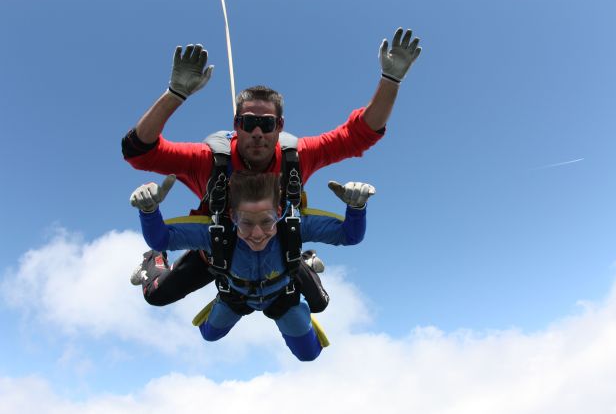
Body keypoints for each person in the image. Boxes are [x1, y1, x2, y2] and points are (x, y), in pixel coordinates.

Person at [122, 27, 421, 306]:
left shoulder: (297, 156)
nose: (257, 132)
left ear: (280, 126)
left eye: (266, 124)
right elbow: (138, 152)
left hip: (278, 245)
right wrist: (174, 94)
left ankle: (305, 256)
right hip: (218, 249)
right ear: (236, 125)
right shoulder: (208, 161)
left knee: (319, 304)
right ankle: (153, 259)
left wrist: (391, 81)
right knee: (157, 296)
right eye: (248, 123)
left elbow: (359, 135)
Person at [130, 171, 376, 361]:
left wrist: (356, 208)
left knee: (309, 351)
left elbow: (349, 236)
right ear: (232, 216)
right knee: (209, 335)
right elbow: (160, 240)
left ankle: (304, 260)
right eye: (246, 223)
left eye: (267, 222)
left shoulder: (294, 224)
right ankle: (152, 261)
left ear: (279, 213)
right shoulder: (215, 231)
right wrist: (149, 212)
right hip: (236, 297)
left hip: (282, 296)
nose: (257, 234)